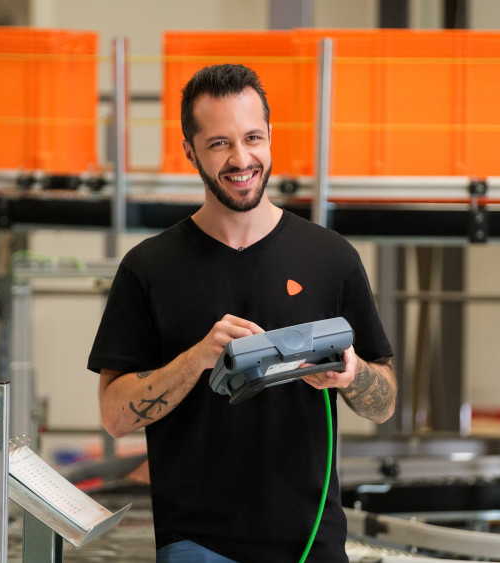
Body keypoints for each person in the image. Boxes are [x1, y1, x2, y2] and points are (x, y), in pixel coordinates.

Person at [88, 63, 396, 563]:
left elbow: (384, 403)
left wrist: (350, 373)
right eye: (219, 143)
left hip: (312, 544)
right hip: (199, 546)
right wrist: (198, 358)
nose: (241, 158)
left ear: (271, 137)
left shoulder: (330, 258)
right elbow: (114, 416)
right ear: (190, 150)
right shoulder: (149, 267)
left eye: (252, 137)